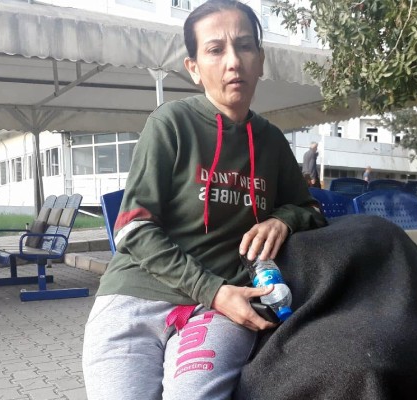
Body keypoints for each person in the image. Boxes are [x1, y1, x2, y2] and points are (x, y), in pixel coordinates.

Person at [81, 1, 326, 399]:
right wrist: (211, 289)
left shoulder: (271, 142)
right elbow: (133, 228)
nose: (234, 62)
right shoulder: (171, 124)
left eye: (244, 46)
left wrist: (282, 219)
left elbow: (311, 210)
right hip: (137, 294)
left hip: (219, 308)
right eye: (215, 50)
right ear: (193, 68)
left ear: (260, 60)